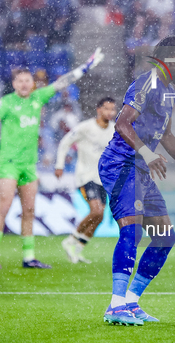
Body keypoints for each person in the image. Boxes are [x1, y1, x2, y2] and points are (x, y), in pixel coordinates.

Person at [99, 36, 175, 326]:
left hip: (141, 168)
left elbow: (167, 135)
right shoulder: (147, 83)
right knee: (132, 231)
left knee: (165, 236)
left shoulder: (169, 92)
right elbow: (122, 123)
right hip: (121, 164)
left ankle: (131, 302)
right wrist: (147, 153)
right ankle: (115, 306)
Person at [0, 49, 104, 269]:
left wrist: (86, 67)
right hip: (9, 164)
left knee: (29, 211)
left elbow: (63, 82)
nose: (23, 84)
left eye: (27, 81)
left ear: (32, 84)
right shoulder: (6, 103)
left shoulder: (38, 98)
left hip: (29, 165)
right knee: (4, 207)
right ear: (14, 84)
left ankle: (28, 257)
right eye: (19, 81)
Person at [56, 97, 117, 263]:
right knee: (96, 211)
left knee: (100, 217)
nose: (110, 112)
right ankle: (70, 240)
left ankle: (77, 249)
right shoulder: (85, 127)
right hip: (85, 176)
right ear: (98, 109)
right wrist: (59, 165)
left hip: (103, 179)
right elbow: (65, 142)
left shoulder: (114, 130)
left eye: (113, 109)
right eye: (107, 108)